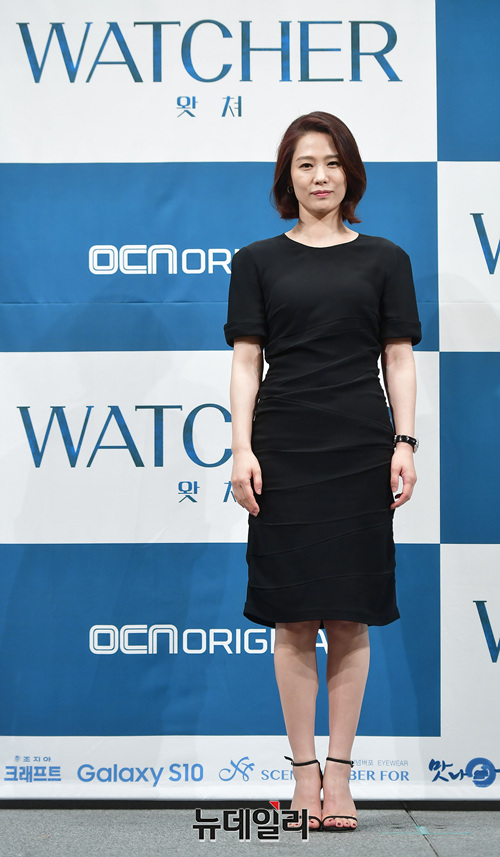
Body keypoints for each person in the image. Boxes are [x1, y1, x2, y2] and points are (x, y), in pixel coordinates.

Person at [224, 112, 421, 832]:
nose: (320, 176)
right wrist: (241, 449)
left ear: (351, 174)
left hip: (360, 447)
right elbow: (246, 361)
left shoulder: (386, 259)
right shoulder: (256, 261)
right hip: (283, 449)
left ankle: (340, 775)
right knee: (293, 615)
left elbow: (398, 358)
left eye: (333, 162)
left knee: (349, 614)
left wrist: (405, 442)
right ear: (289, 176)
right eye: (306, 163)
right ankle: (302, 774)